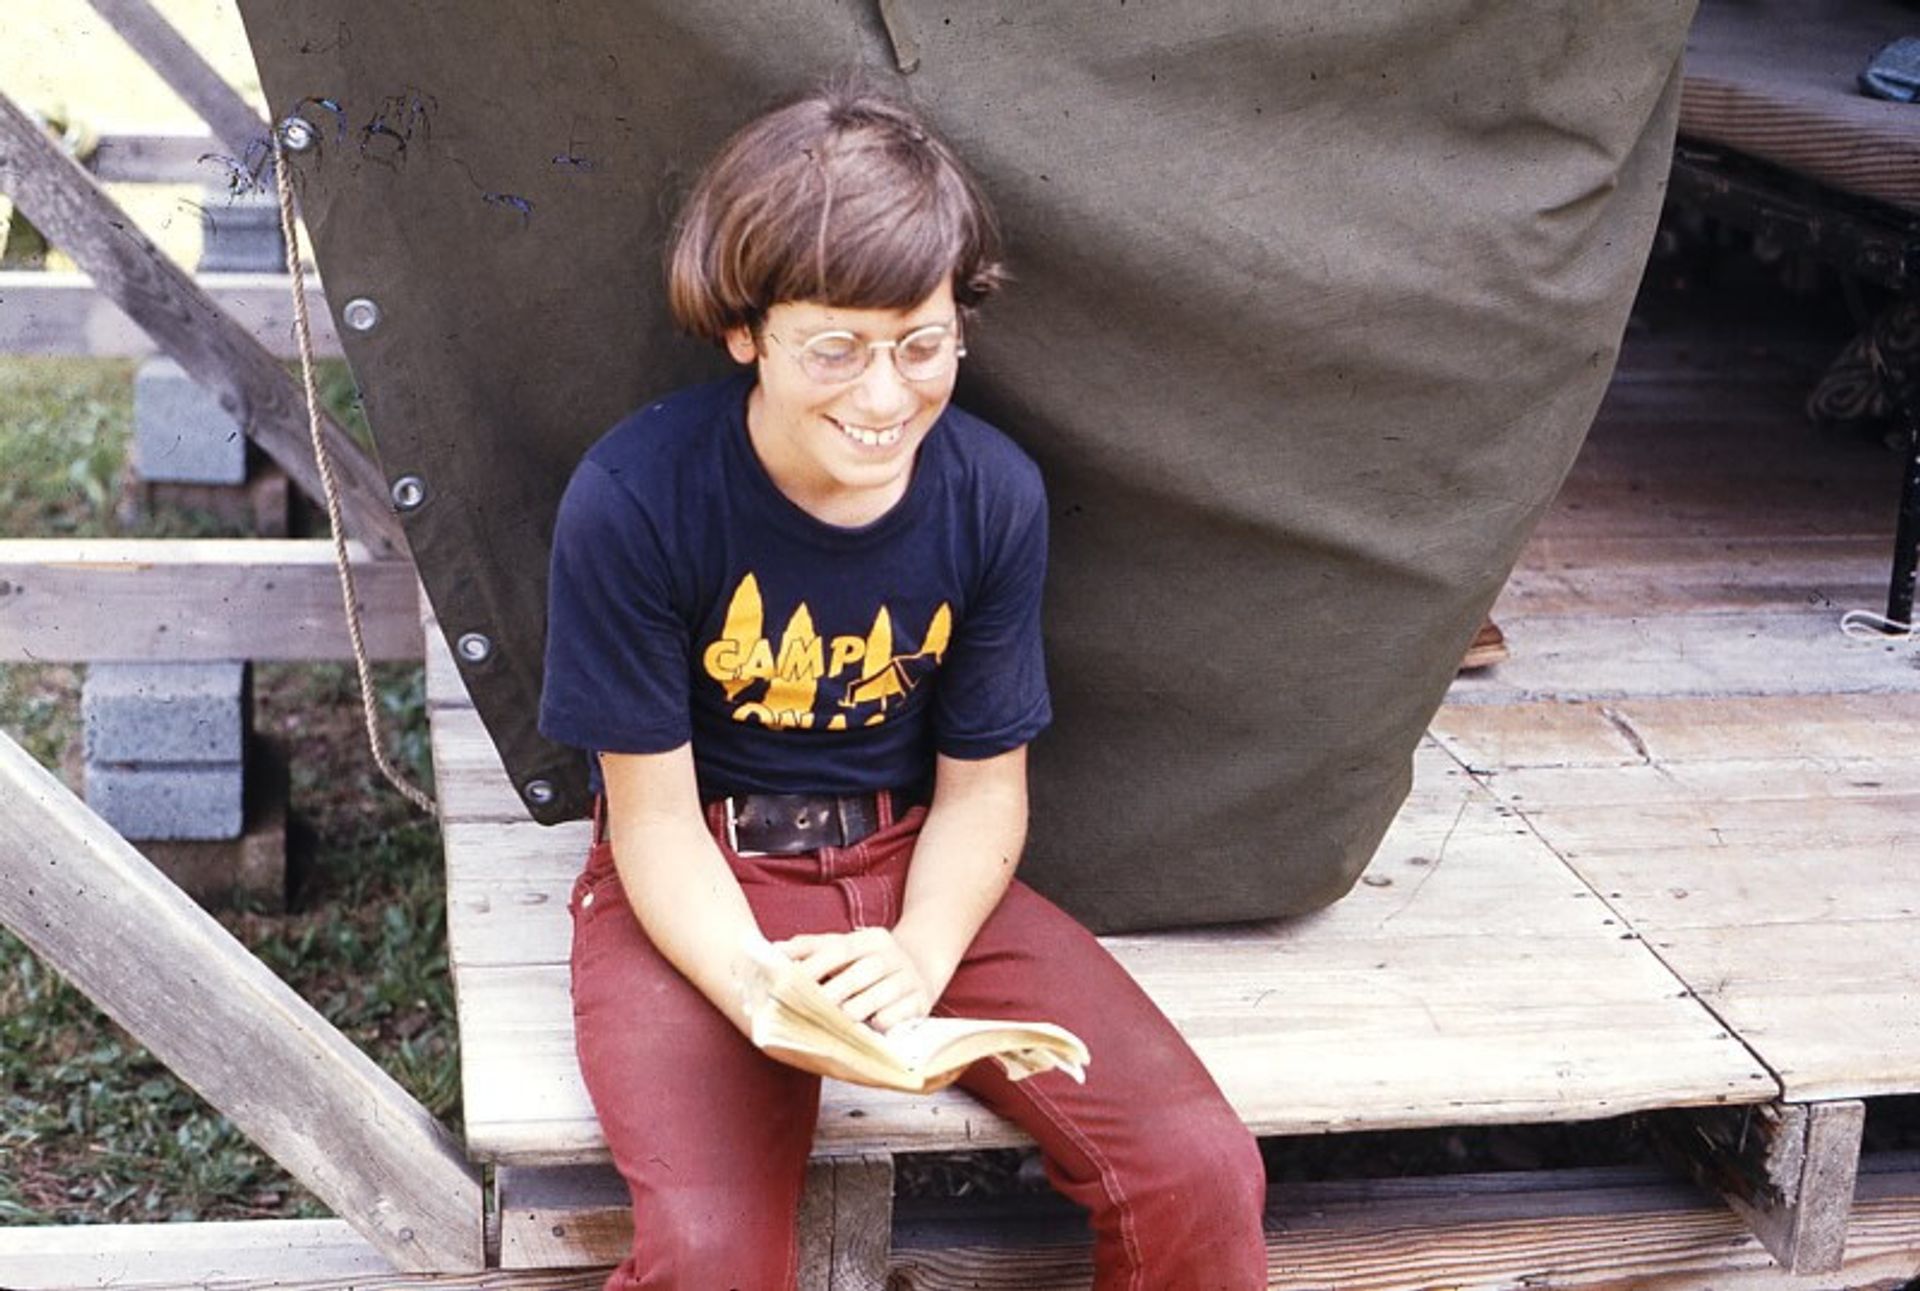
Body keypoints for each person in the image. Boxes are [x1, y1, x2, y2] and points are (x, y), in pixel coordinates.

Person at [539, 81, 1268, 1290]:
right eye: (835, 348)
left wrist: (923, 954)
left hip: (912, 866)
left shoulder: (991, 494)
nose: (885, 399)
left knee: (1197, 1171)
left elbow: (985, 791)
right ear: (746, 330)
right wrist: (755, 987)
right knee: (713, 1255)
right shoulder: (634, 498)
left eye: (921, 345)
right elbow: (650, 820)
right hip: (701, 887)